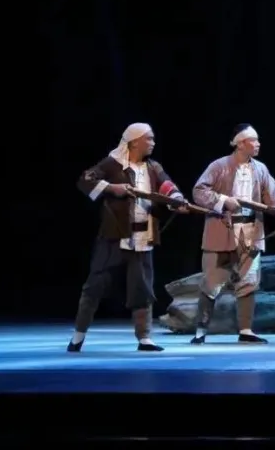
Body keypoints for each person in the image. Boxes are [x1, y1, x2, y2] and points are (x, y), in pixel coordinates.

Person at [69, 123, 190, 352]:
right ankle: (78, 336)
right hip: (115, 236)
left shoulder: (153, 167)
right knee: (95, 285)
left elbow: (167, 185)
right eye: (149, 139)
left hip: (143, 236)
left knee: (142, 288)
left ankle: (144, 338)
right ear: (134, 142)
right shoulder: (112, 163)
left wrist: (177, 200)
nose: (153, 143)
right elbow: (85, 180)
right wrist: (111, 188)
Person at [190, 124, 275, 344]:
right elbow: (199, 191)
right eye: (254, 140)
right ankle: (201, 331)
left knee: (249, 281)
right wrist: (223, 201)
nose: (258, 144)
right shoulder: (219, 166)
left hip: (251, 232)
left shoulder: (260, 169)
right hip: (221, 231)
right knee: (211, 281)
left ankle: (246, 330)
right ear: (241, 144)